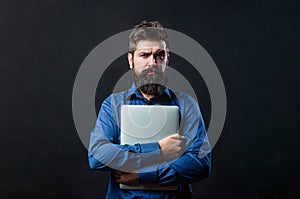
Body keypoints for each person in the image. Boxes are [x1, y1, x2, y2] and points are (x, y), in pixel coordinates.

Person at [88, 20, 212, 199]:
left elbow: (200, 164)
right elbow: (97, 156)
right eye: (144, 55)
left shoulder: (187, 105)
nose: (152, 63)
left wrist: (142, 175)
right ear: (131, 60)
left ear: (168, 59)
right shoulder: (112, 105)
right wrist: (159, 150)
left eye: (159, 55)